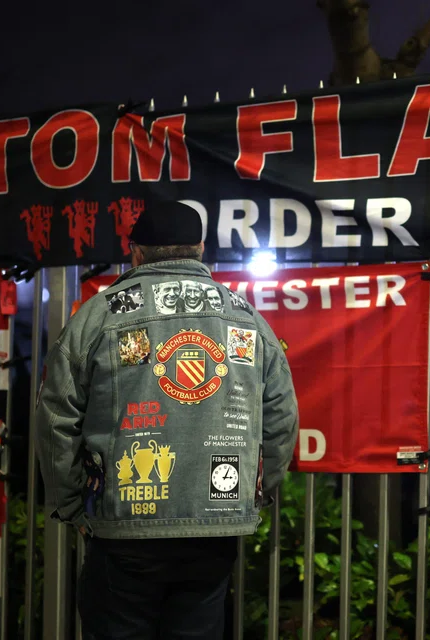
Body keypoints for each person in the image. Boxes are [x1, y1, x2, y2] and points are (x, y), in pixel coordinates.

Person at [35, 200, 299, 640]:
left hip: (124, 527)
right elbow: (281, 418)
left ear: (135, 252)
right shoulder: (247, 317)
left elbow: (56, 417)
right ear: (200, 249)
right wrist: (255, 493)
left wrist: (71, 504)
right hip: (215, 525)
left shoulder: (97, 317)